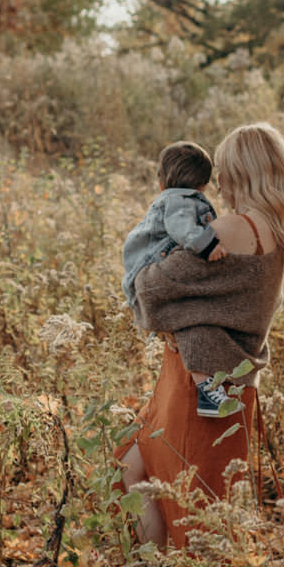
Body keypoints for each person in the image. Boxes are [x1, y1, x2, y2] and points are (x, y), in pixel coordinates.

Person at [120, 122, 284, 561]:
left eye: (223, 170)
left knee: (193, 503)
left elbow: (151, 286)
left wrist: (161, 295)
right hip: (223, 380)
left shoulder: (228, 230)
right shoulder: (276, 228)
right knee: (142, 469)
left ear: (243, 172)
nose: (216, 181)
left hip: (200, 384)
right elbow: (219, 302)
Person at [120, 141, 238, 417]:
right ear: (204, 182)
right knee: (188, 325)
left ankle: (203, 383)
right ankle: (208, 392)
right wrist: (208, 245)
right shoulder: (178, 201)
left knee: (182, 328)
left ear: (162, 181)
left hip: (150, 274)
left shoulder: (178, 199)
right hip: (150, 271)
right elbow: (182, 228)